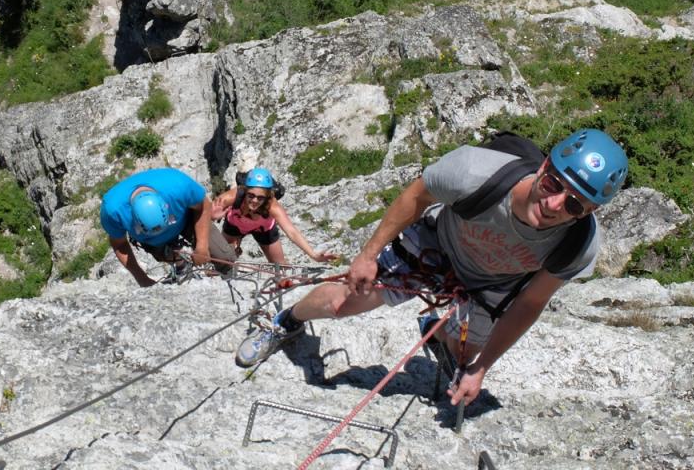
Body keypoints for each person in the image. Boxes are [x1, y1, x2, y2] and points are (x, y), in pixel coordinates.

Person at [234, 129, 629, 411]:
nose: (555, 204)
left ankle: (439, 335)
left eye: (574, 204)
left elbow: (530, 303)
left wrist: (480, 368)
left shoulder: (578, 245)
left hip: (493, 283)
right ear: (544, 166)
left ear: (590, 212)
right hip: (436, 244)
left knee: (465, 356)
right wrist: (368, 254)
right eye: (554, 184)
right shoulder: (476, 171)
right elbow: (416, 196)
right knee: (343, 302)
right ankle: (287, 321)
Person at [101, 167, 236, 288]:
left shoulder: (178, 186)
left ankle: (228, 272)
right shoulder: (113, 211)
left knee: (226, 258)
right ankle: (181, 265)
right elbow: (119, 244)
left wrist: (202, 245)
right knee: (165, 252)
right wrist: (142, 279)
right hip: (152, 240)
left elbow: (204, 205)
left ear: (166, 205)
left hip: (186, 218)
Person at [211, 167, 339, 265]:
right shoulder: (230, 197)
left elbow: (292, 232)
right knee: (221, 261)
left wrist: (314, 255)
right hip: (234, 227)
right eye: (251, 195)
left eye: (260, 198)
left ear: (267, 197)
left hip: (264, 230)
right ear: (245, 191)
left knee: (280, 266)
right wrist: (211, 216)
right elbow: (203, 215)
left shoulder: (273, 206)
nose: (254, 201)